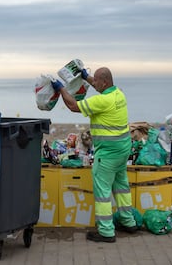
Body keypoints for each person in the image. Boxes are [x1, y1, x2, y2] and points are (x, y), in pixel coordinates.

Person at [51, 66, 137, 243]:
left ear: (104, 82)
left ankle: (106, 232)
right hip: (123, 150)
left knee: (103, 192)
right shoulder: (119, 94)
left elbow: (74, 106)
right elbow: (98, 84)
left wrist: (60, 89)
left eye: (96, 80)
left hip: (107, 154)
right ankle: (129, 222)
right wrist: (85, 76)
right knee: (121, 187)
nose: (94, 83)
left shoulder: (102, 101)